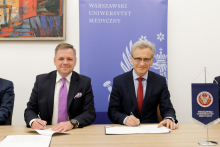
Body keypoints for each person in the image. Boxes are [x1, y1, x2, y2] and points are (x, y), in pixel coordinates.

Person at [24, 43, 96, 132]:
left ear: (75, 61)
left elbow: (89, 112)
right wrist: (33, 121)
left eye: (69, 59)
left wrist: (72, 123)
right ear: (55, 61)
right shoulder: (41, 81)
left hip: (73, 132)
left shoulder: (84, 82)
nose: (65, 62)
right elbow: (30, 109)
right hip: (47, 131)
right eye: (61, 59)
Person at [108, 40, 178, 130]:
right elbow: (112, 111)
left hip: (153, 130)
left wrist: (169, 119)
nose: (142, 63)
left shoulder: (160, 81)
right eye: (138, 59)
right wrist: (125, 119)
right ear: (131, 59)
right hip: (127, 131)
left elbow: (167, 108)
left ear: (152, 60)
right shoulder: (119, 81)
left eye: (146, 59)